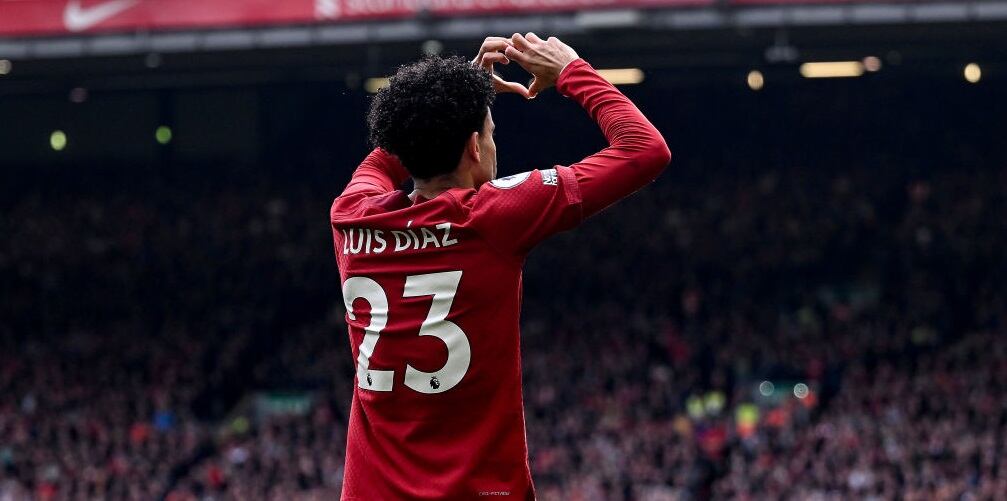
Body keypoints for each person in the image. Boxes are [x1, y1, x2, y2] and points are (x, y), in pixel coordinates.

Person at [330, 33, 671, 500]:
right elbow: (644, 150)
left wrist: (450, 98)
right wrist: (572, 71)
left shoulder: (350, 215)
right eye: (490, 132)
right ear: (474, 146)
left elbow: (395, 152)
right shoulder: (495, 216)